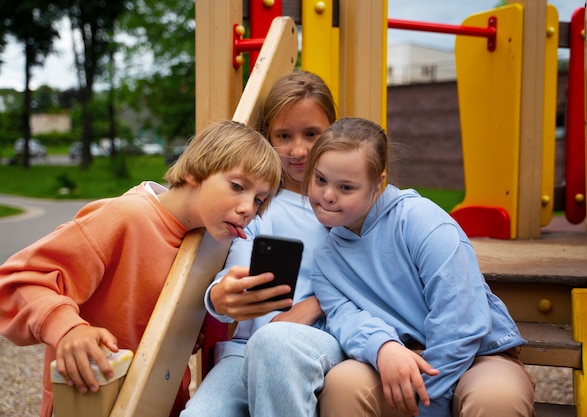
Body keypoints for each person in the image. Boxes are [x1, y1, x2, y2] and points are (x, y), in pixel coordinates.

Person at [0, 120, 282, 417]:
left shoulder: (208, 239)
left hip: (160, 401)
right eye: (238, 187)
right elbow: (17, 280)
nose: (248, 207)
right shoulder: (126, 216)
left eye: (259, 200)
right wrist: (68, 329)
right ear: (193, 172)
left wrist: (190, 329)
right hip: (91, 398)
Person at [303, 117, 536, 417]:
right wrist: (382, 347)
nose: (328, 195)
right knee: (343, 384)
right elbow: (346, 319)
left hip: (476, 356)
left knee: (497, 399)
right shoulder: (325, 260)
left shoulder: (419, 219)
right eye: (320, 179)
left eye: (346, 187)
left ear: (378, 183)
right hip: (400, 359)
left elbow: (459, 315)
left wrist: (431, 402)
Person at [181, 70, 346, 417]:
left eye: (312, 134)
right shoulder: (256, 206)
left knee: (276, 343)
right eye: (283, 136)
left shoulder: (350, 203)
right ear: (267, 137)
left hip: (325, 341)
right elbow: (233, 272)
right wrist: (219, 296)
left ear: (332, 132)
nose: (298, 150)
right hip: (247, 348)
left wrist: (315, 304)